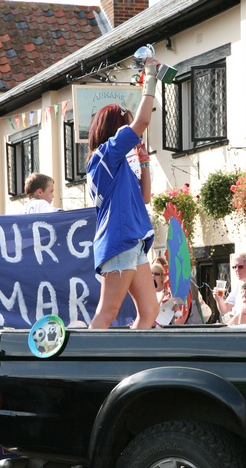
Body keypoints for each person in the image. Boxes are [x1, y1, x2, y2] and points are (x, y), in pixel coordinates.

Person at [86, 58, 160, 330]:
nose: (133, 134)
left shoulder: (116, 165)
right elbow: (142, 120)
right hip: (119, 239)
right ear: (114, 128)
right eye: (125, 127)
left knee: (150, 310)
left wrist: (144, 163)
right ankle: (87, 366)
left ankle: (133, 360)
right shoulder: (105, 155)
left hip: (132, 240)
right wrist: (150, 75)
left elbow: (145, 199)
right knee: (108, 311)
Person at [214, 252, 246, 318]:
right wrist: (219, 299)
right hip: (239, 323)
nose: (236, 270)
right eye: (234, 267)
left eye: (240, 267)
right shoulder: (240, 283)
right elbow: (225, 309)